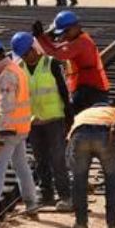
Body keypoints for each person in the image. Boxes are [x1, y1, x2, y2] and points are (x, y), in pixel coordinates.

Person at [0, 38, 39, 219]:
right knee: (21, 165)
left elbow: (7, 106)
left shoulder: (6, 75)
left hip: (9, 130)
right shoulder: (15, 68)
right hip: (20, 128)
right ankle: (31, 203)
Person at [11, 32, 73, 210]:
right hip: (33, 122)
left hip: (54, 119)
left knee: (58, 160)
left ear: (34, 49)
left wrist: (70, 117)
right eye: (21, 54)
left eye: (26, 53)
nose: (25, 57)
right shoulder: (19, 68)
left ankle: (65, 196)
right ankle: (46, 195)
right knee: (40, 160)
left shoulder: (51, 63)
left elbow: (64, 91)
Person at [33, 10, 110, 114]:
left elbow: (55, 55)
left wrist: (40, 38)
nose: (64, 36)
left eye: (66, 31)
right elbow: (56, 48)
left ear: (76, 26)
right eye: (62, 32)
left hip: (91, 91)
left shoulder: (81, 43)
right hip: (87, 88)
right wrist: (45, 36)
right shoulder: (77, 39)